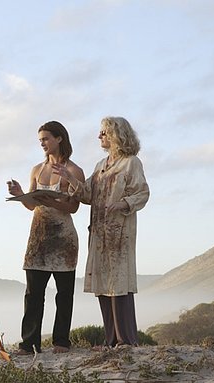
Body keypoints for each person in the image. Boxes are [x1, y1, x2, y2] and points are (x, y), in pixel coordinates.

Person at [52, 116, 149, 348]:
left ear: (116, 135)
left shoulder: (131, 163)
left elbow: (142, 192)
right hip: (98, 235)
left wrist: (124, 203)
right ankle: (111, 339)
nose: (99, 136)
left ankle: (126, 339)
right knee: (104, 284)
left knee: (120, 284)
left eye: (104, 132)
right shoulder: (100, 166)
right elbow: (87, 195)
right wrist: (69, 179)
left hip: (120, 233)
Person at [7, 121, 85, 355]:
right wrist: (20, 194)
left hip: (63, 237)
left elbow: (74, 207)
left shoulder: (74, 170)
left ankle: (61, 341)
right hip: (38, 237)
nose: (42, 143)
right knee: (33, 294)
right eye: (40, 140)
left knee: (64, 294)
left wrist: (55, 202)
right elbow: (31, 205)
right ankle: (29, 344)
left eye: (46, 139)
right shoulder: (36, 170)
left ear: (59, 138)